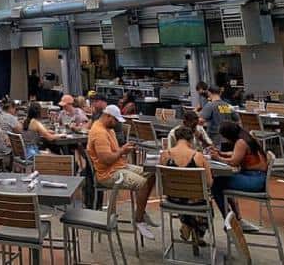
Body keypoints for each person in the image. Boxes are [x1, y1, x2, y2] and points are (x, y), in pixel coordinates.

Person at [86, 104, 157, 240]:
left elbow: (114, 153)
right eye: (115, 120)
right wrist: (122, 151)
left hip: (119, 166)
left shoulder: (108, 129)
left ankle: (140, 211)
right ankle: (139, 219)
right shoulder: (99, 133)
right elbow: (106, 159)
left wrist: (122, 149)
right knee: (142, 184)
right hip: (108, 174)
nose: (117, 123)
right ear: (107, 117)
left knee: (151, 173)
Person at [159, 125, 213, 248]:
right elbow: (209, 183)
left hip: (173, 198)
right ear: (192, 139)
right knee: (203, 200)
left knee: (183, 196)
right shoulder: (198, 157)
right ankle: (196, 232)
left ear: (176, 139)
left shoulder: (164, 155)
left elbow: (162, 179)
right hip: (195, 201)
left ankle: (187, 224)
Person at [209, 121, 267, 231]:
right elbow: (237, 153)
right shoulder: (246, 137)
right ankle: (235, 219)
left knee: (215, 184)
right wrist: (221, 153)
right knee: (221, 183)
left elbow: (234, 161)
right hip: (256, 176)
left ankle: (230, 220)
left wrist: (218, 158)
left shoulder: (241, 142)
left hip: (254, 180)